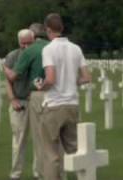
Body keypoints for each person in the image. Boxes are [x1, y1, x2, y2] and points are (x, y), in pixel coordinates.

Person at [36, 13, 91, 180]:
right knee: (75, 151)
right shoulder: (76, 48)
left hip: (54, 105)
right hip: (72, 105)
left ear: (48, 29)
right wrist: (72, 82)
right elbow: (87, 77)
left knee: (51, 154)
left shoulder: (48, 49)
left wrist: (41, 86)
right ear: (62, 28)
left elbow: (51, 79)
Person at [4, 23, 49, 180]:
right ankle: (16, 174)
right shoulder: (12, 56)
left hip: (35, 100)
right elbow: (8, 81)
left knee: (40, 139)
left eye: (29, 42)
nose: (26, 46)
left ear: (34, 40)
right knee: (19, 139)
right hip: (19, 102)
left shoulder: (39, 54)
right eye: (23, 43)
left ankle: (39, 173)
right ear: (18, 42)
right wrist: (13, 99)